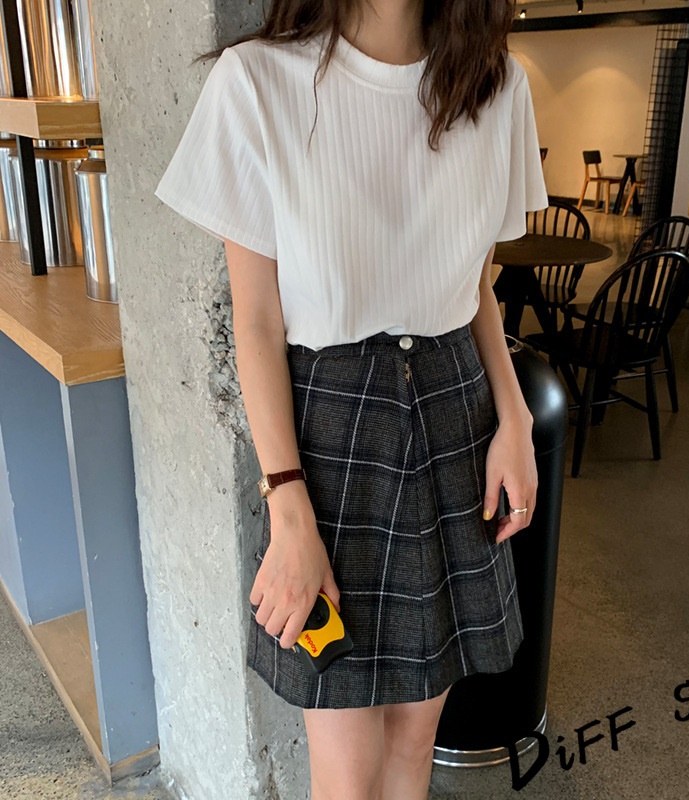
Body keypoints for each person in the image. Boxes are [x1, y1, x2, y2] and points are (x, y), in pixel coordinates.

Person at [154, 1, 547, 797]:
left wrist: (516, 419)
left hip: (455, 416)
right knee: (345, 761)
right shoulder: (258, 81)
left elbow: (475, 285)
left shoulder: (496, 84)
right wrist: (287, 503)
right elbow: (257, 324)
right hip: (330, 439)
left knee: (415, 740)